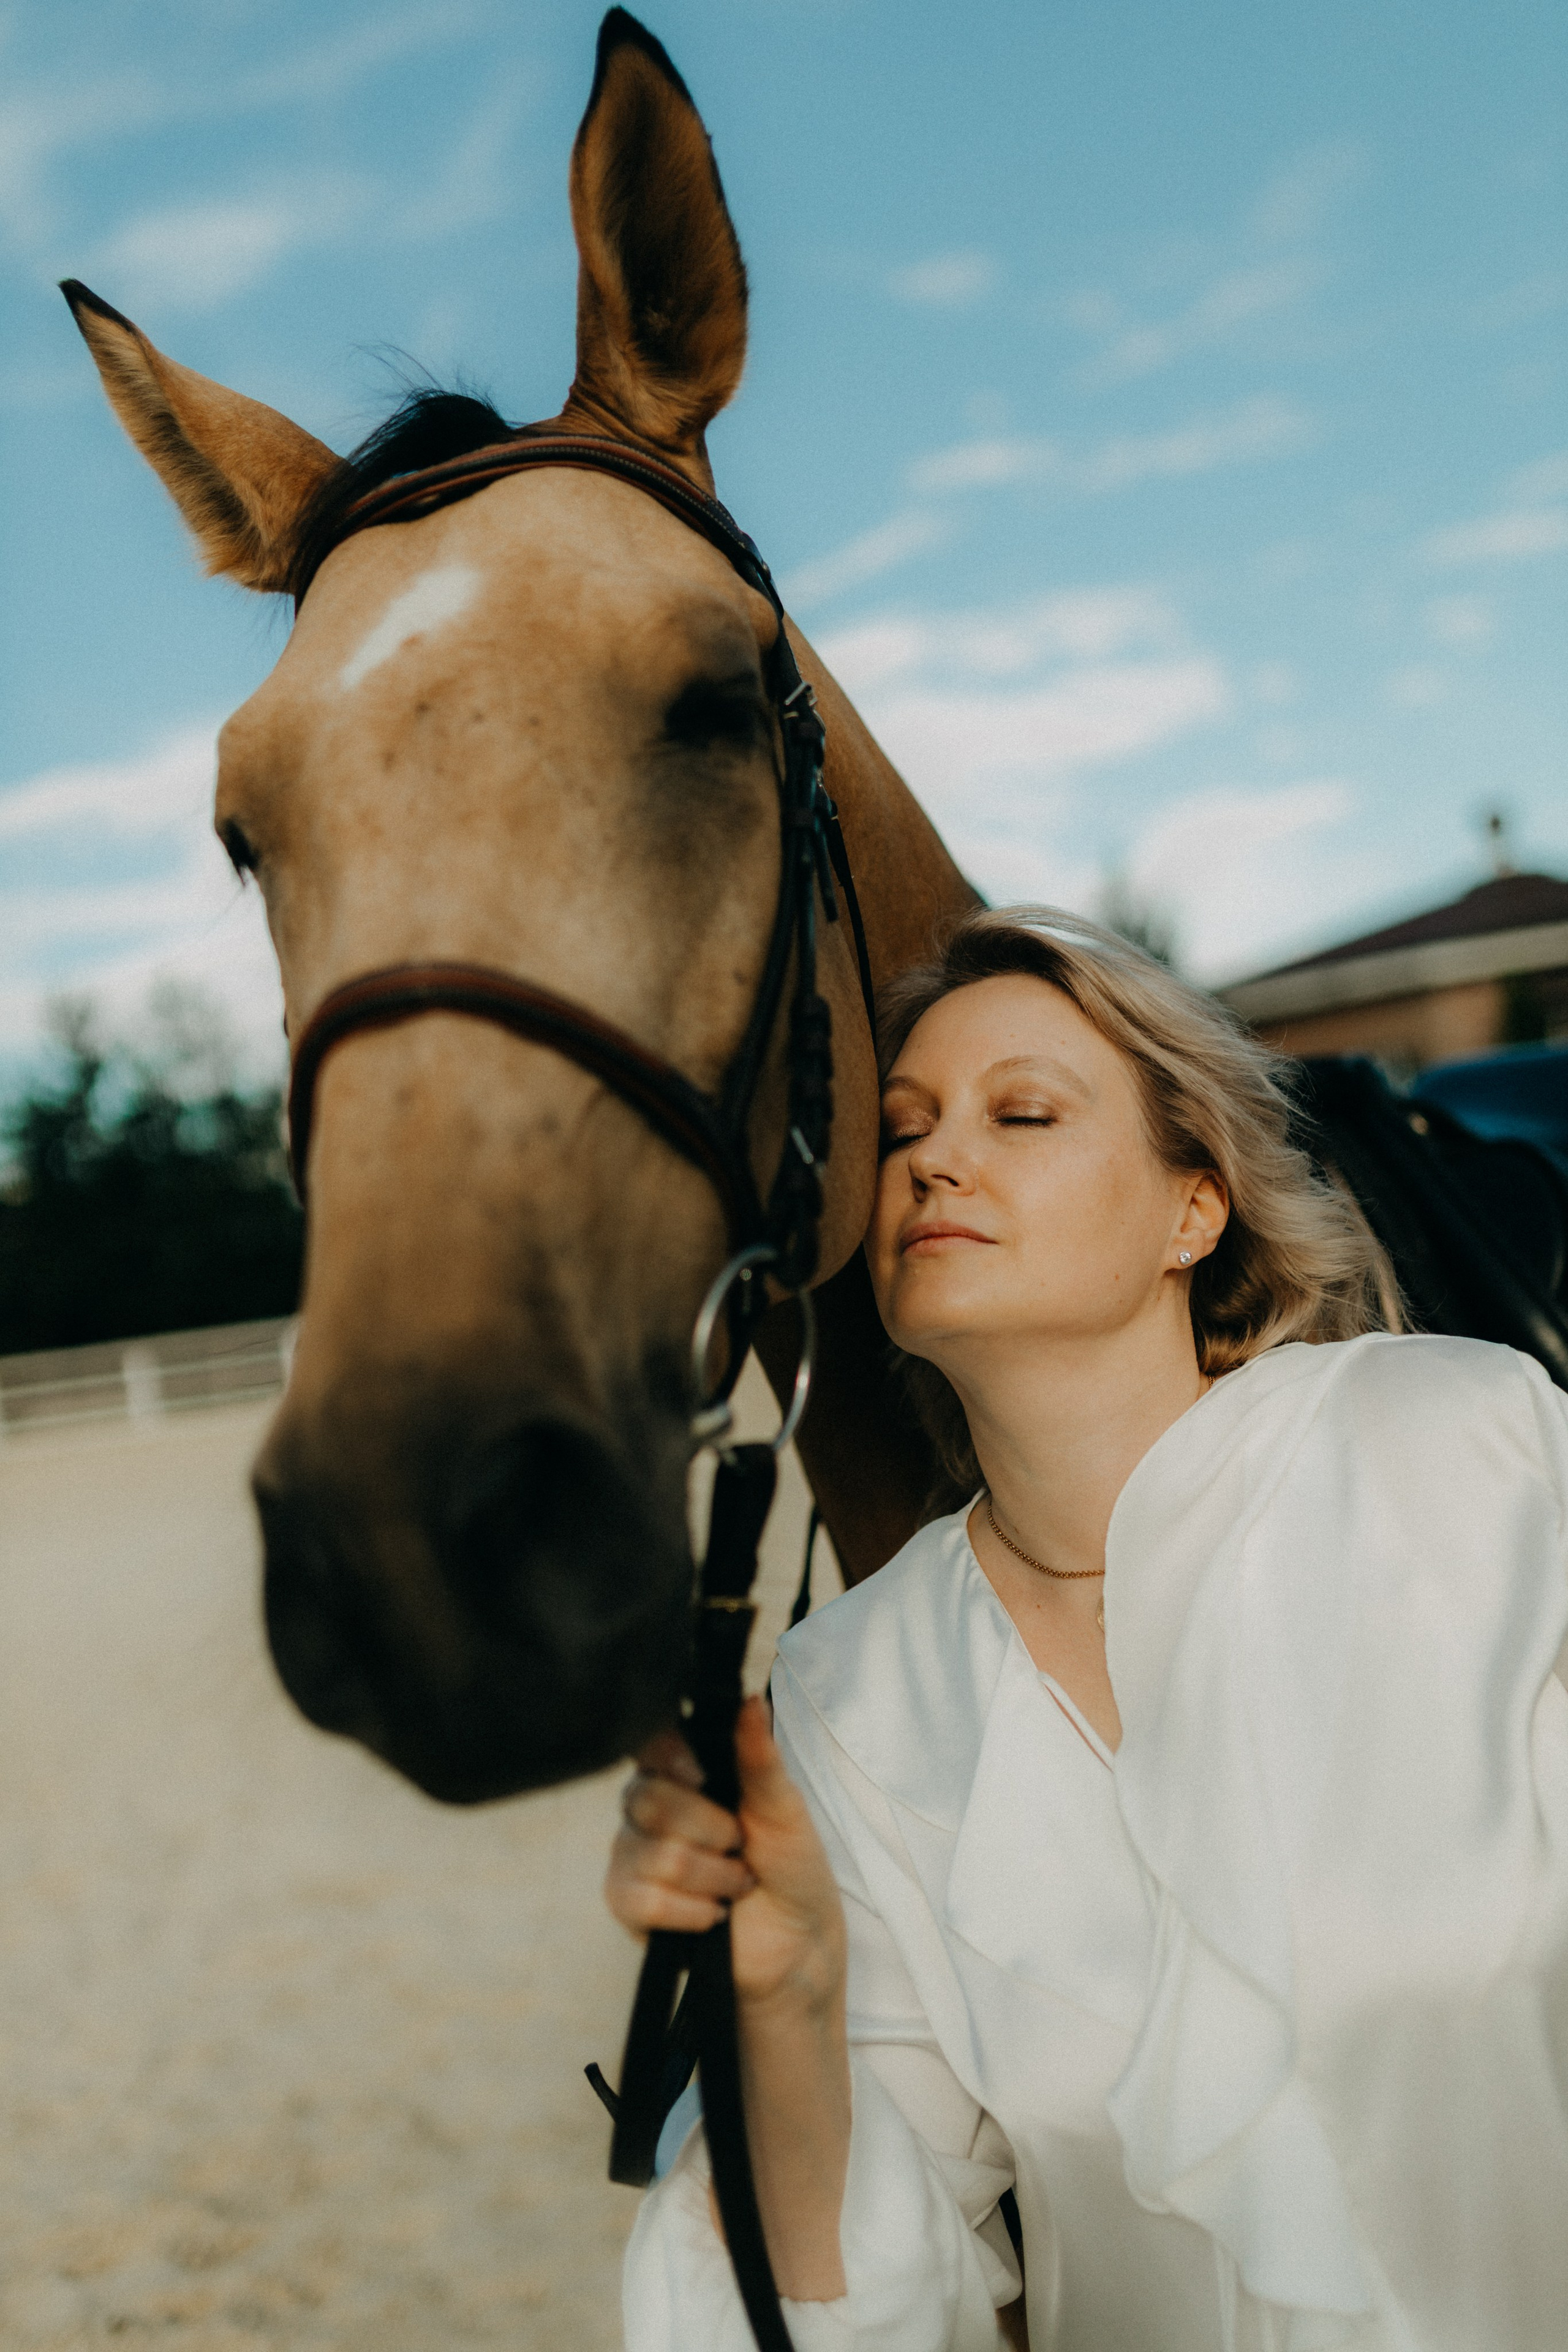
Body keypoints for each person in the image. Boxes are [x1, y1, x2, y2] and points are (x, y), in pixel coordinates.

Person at [606, 906, 1568, 2352]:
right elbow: (870, 2299)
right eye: (906, 1126)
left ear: (1194, 1208)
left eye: (1024, 1112)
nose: (932, 1156)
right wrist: (788, 1986)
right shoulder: (848, 1696)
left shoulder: (1460, 1449)